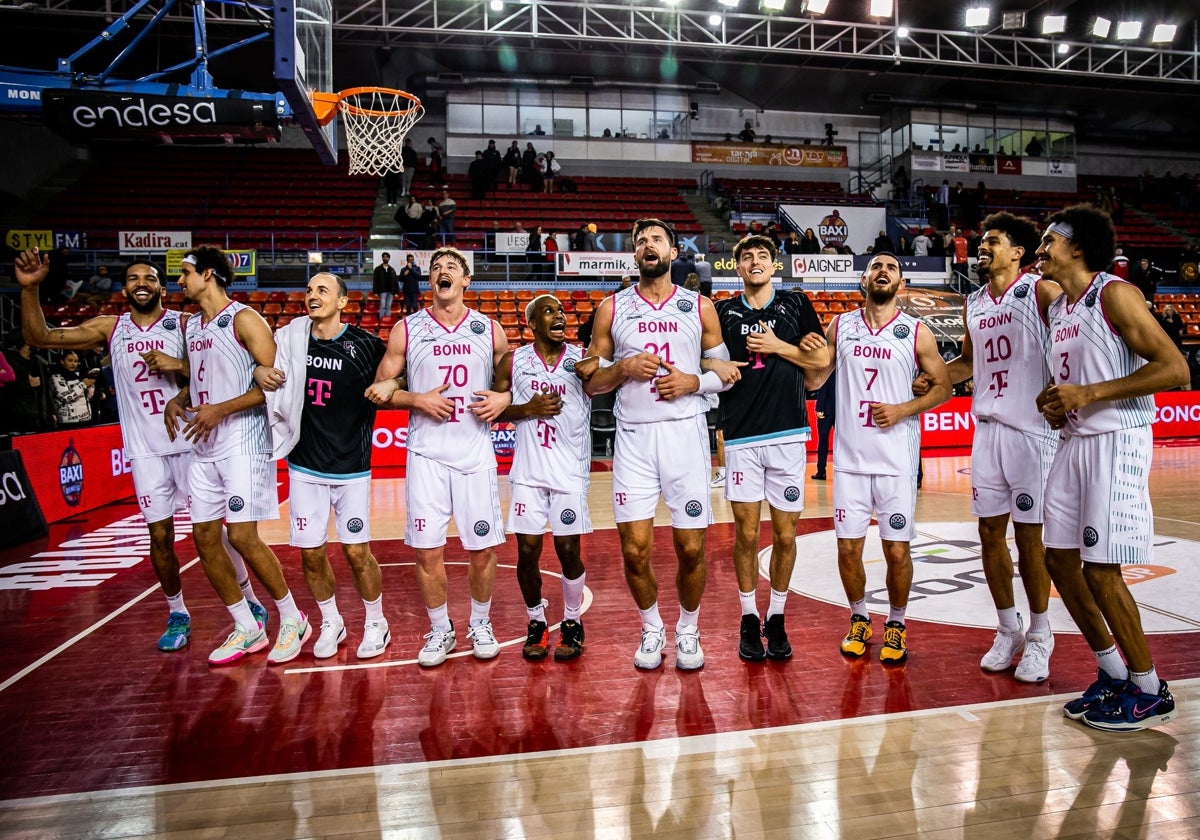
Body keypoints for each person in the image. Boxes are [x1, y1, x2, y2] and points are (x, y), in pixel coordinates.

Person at [16, 249, 269, 651]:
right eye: (133, 278)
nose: (141, 284)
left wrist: (178, 366)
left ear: (162, 286)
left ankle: (250, 603)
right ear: (124, 288)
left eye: (149, 278)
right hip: (146, 449)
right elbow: (40, 337)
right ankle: (177, 612)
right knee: (160, 534)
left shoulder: (186, 324)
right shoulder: (109, 328)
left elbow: (215, 367)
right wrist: (30, 290)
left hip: (192, 440)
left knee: (216, 531)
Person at [1035, 204, 1189, 731]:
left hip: (1116, 442)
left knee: (1102, 570)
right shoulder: (1057, 309)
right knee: (1056, 560)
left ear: (1077, 247)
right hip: (1075, 441)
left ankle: (1149, 689)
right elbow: (1073, 380)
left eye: (1048, 241)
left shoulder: (1114, 294)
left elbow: (1176, 369)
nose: (1040, 249)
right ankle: (1112, 671)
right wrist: (1054, 400)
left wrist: (1091, 392)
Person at [577, 218, 735, 671]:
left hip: (685, 437)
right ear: (634, 254)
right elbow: (590, 383)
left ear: (671, 250)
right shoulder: (611, 309)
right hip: (634, 441)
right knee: (634, 549)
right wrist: (623, 368)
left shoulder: (699, 307)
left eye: (657, 240)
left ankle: (688, 628)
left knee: (691, 549)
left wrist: (693, 381)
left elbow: (725, 376)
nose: (649, 246)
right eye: (641, 241)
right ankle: (651, 628)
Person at [916, 211, 1061, 683]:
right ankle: (1007, 628)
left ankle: (1041, 634)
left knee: (1030, 538)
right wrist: (932, 378)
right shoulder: (973, 301)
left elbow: (1069, 343)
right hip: (989, 430)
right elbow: (967, 363)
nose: (981, 247)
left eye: (992, 241)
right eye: (981, 241)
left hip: (1032, 430)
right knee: (989, 534)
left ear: (1018, 252)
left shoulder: (1040, 290)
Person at [365, 247, 511, 666]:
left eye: (451, 268)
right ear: (429, 281)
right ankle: (440, 628)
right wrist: (417, 399)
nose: (441, 272)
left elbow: (513, 380)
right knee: (427, 550)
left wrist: (504, 397)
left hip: (475, 453)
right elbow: (380, 388)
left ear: (466, 281)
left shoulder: (489, 328)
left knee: (482, 548)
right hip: (426, 454)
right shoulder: (406, 329)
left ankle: (479, 623)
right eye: (435, 269)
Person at [805, 253, 951, 665]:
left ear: (900, 284)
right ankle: (858, 617)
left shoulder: (916, 332)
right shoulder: (841, 325)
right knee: (848, 549)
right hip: (850, 460)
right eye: (876, 267)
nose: (883, 271)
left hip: (895, 462)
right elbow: (816, 379)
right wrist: (807, 352)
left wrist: (904, 408)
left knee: (897, 552)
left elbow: (943, 389)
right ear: (864, 280)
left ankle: (898, 623)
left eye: (891, 268)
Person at [167, 245, 310, 666]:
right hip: (203, 441)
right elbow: (199, 380)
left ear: (208, 274)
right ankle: (246, 625)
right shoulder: (192, 326)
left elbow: (274, 383)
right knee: (204, 537)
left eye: (186, 273)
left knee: (242, 536)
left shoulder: (245, 318)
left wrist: (219, 409)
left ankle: (291, 618)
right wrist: (180, 399)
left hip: (242, 440)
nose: (181, 281)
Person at [258, 273, 391, 660]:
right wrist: (256, 371)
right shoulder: (291, 340)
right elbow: (256, 365)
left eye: (322, 291)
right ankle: (331, 620)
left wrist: (391, 381)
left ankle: (376, 621)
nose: (312, 296)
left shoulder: (366, 345)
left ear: (343, 302)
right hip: (305, 465)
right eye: (309, 290)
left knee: (356, 551)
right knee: (311, 553)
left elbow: (397, 372)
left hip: (351, 467)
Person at [714, 235, 829, 662]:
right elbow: (705, 359)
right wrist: (715, 365)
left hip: (788, 435)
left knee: (785, 534)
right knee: (745, 534)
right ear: (738, 268)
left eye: (763, 256)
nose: (755, 261)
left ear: (773, 266)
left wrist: (779, 347)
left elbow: (820, 362)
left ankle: (777, 616)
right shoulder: (724, 311)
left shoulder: (797, 305)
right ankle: (748, 617)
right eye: (747, 257)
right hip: (741, 436)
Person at [493, 294, 591, 661]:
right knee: (528, 552)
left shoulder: (582, 360)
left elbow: (605, 383)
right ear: (532, 323)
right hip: (529, 473)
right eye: (549, 312)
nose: (559, 316)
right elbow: (492, 411)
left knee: (568, 551)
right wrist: (527, 409)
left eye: (562, 311)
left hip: (569, 472)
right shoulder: (513, 361)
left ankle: (571, 620)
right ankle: (535, 620)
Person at [1, 340, 52, 432]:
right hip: (16, 422)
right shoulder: (6, 360)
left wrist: (51, 413)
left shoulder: (40, 363)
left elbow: (46, 391)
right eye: (34, 337)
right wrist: (26, 384)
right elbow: (4, 391)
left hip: (40, 421)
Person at [47, 350, 94, 428]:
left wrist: (91, 385)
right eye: (70, 360)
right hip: (68, 422)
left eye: (76, 361)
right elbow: (65, 397)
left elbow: (89, 396)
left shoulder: (78, 376)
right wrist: (83, 385)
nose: (73, 364)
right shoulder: (56, 377)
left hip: (85, 419)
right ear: (62, 361)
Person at [811, 374, 835, 480]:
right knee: (843, 442)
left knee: (823, 442)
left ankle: (821, 471)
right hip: (839, 409)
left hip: (826, 410)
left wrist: (819, 407)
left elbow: (824, 386)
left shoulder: (828, 368)